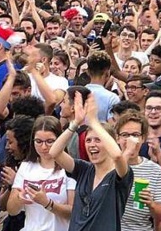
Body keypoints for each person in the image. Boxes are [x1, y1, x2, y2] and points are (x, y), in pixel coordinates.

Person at [49, 92, 134, 230]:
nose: (92, 145)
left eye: (98, 140)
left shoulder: (120, 174)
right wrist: (75, 123)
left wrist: (93, 122)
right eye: (88, 140)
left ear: (109, 143)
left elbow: (118, 156)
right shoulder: (84, 169)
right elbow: (54, 152)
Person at [7, 116, 75, 231]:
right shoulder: (25, 167)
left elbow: (74, 212)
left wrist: (48, 203)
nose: (44, 147)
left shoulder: (68, 167)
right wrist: (19, 199)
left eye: (49, 141)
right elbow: (11, 210)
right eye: (38, 141)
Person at [116, 112, 161, 231]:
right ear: (117, 138)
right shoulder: (107, 166)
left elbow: (160, 215)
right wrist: (127, 153)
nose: (130, 140)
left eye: (135, 135)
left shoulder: (155, 170)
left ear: (143, 138)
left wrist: (151, 204)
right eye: (125, 135)